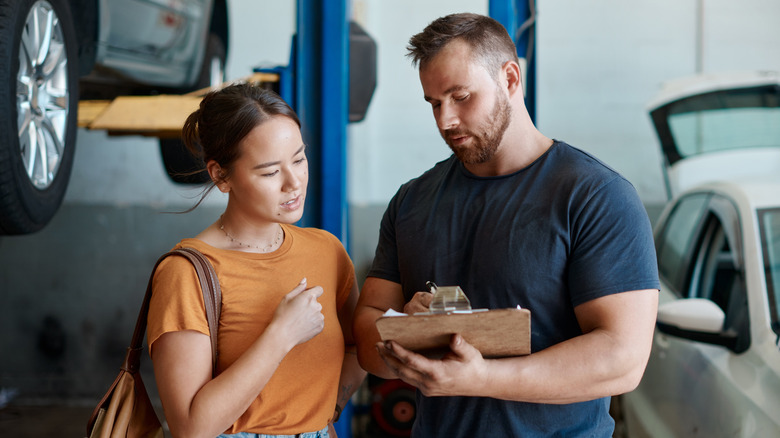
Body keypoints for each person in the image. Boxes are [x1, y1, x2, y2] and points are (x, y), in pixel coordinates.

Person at [353, 12, 660, 437]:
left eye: (461, 97)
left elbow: (622, 359)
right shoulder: (411, 202)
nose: (445, 121)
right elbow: (368, 333)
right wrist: (406, 331)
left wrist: (481, 379)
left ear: (511, 79)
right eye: (434, 103)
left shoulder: (595, 197)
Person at [147, 83, 366, 438]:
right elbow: (191, 428)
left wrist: (325, 414)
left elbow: (359, 347)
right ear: (221, 176)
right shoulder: (186, 273)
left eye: (299, 158)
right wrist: (281, 335)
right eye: (269, 172)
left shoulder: (327, 250)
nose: (293, 183)